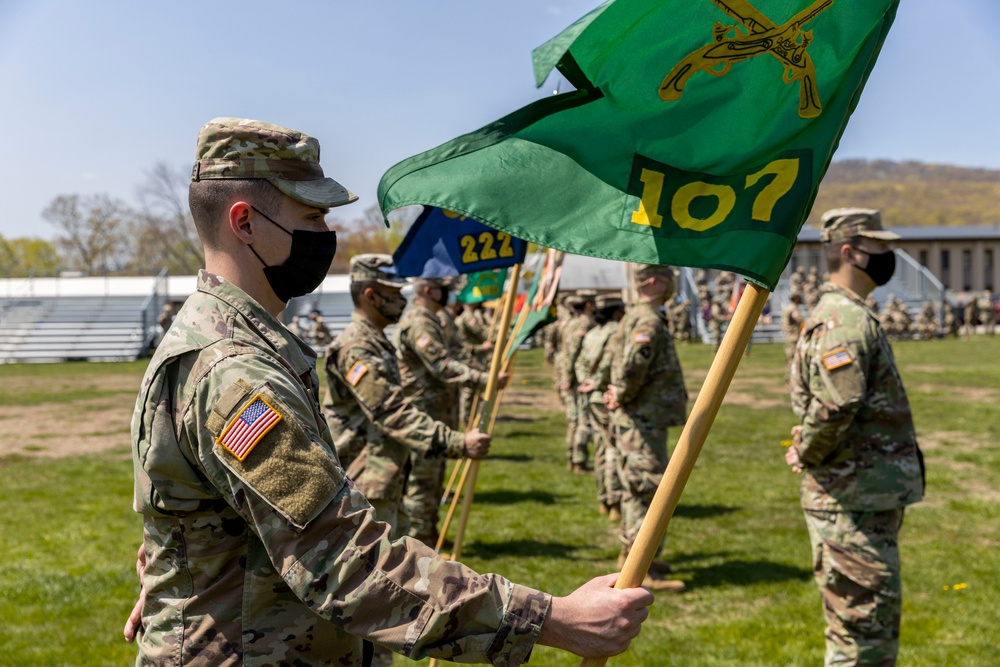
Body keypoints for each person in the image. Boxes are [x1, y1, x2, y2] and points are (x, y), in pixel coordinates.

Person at [124, 117, 652, 665]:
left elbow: (196, 510)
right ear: (245, 222)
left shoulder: (221, 341)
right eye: (311, 215)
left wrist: (175, 567)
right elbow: (344, 562)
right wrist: (552, 619)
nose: (326, 234)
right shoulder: (235, 372)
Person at [786, 207, 925, 666]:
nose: (890, 256)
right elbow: (837, 405)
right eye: (880, 248)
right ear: (850, 252)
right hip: (850, 499)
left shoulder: (849, 315)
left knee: (867, 633)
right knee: (862, 642)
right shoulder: (843, 320)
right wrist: (805, 450)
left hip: (860, 495)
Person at [396, 276, 508, 544]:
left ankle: (429, 534)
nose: (448, 294)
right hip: (423, 410)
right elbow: (442, 365)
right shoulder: (419, 322)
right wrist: (484, 380)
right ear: (427, 290)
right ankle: (418, 544)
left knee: (434, 478)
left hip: (437, 408)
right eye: (442, 288)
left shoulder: (433, 318)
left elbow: (455, 353)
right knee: (422, 481)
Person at [604, 264, 688, 594]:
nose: (672, 285)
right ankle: (640, 571)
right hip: (642, 417)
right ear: (654, 280)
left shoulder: (636, 315)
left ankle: (634, 557)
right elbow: (634, 361)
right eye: (668, 279)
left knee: (636, 486)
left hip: (641, 416)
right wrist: (622, 392)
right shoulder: (648, 318)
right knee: (647, 489)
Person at [575, 295, 626, 520]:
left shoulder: (593, 333)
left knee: (600, 449)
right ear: (617, 312)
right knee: (614, 449)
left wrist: (587, 382)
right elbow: (608, 362)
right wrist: (597, 383)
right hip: (608, 396)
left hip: (593, 397)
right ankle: (615, 502)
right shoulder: (616, 331)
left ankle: (603, 499)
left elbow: (580, 363)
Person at [559, 290, 597, 473]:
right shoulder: (585, 323)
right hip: (580, 377)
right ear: (588, 305)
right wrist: (568, 377)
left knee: (573, 420)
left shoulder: (571, 322)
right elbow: (573, 350)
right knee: (583, 420)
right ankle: (579, 460)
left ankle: (572, 459)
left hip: (571, 376)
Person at [781, 291, 805, 377]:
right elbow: (799, 319)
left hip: (790, 336)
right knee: (792, 358)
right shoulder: (792, 309)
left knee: (790, 358)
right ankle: (790, 377)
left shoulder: (789, 307)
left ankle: (789, 377)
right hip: (793, 336)